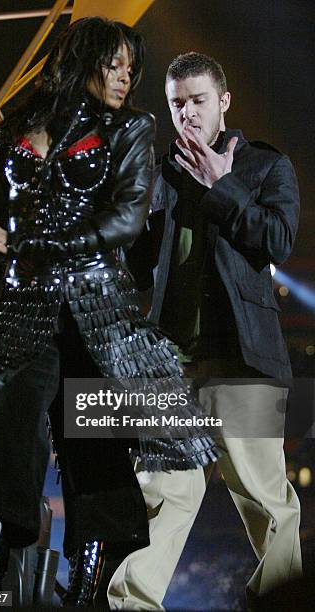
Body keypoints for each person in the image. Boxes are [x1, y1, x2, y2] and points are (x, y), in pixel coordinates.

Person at [0, 23, 218, 603]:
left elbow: (126, 220)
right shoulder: (18, 127)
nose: (127, 76)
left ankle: (86, 595)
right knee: (4, 442)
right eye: (116, 64)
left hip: (98, 321)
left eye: (132, 67)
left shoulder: (132, 129)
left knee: (96, 461)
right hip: (23, 309)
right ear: (83, 60)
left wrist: (32, 245)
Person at [108, 52, 302, 610]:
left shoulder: (265, 166)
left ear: (224, 103)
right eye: (177, 104)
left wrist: (223, 185)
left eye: (197, 101)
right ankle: (132, 604)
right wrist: (134, 210)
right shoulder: (161, 172)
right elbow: (141, 268)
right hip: (172, 363)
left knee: (266, 499)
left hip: (244, 359)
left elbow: (278, 240)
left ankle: (283, 600)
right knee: (163, 495)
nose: (187, 114)